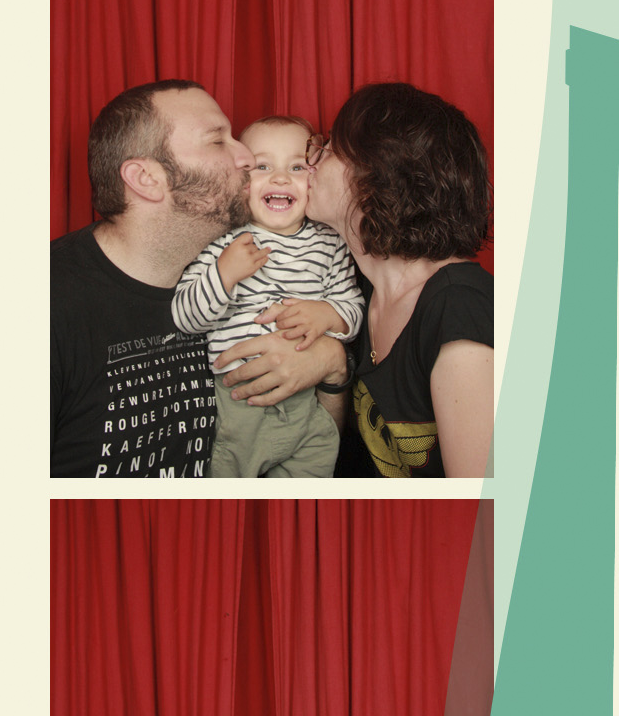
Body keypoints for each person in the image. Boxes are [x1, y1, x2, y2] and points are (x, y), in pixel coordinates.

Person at [50, 83, 350, 478]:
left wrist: (332, 361)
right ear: (146, 178)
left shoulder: (308, 250)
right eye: (217, 141)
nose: (246, 158)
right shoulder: (43, 303)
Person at [305, 82, 494, 478]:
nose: (311, 163)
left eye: (330, 150)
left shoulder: (459, 307)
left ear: (377, 175)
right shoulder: (354, 287)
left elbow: (484, 503)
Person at [172, 117, 362, 478]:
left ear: (314, 178)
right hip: (237, 409)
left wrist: (327, 314)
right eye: (263, 166)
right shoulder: (221, 240)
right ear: (241, 178)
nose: (280, 178)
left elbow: (352, 308)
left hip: (307, 408)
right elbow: (186, 317)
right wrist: (223, 275)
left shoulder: (330, 243)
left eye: (297, 167)